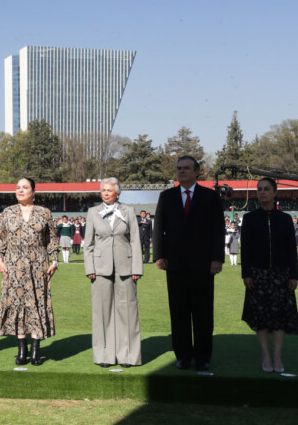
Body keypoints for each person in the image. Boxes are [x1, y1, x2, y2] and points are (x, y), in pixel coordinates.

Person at [153, 156, 224, 370]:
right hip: (175, 264)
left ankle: (202, 357)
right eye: (179, 168)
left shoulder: (210, 197)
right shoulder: (166, 196)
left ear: (196, 172)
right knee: (179, 312)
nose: (181, 171)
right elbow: (159, 229)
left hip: (203, 265)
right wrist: (158, 255)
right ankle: (182, 355)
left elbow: (218, 229)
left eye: (186, 168)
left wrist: (217, 258)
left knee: (203, 313)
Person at [0, 177, 58, 365]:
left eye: (25, 187)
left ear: (33, 191)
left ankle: (36, 351)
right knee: (17, 305)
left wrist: (54, 261)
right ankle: (22, 350)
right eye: (18, 188)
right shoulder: (8, 213)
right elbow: (0, 241)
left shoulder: (44, 213)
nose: (20, 190)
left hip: (38, 267)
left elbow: (51, 241)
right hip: (13, 268)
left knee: (36, 305)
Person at [84, 178, 144, 367]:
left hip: (125, 266)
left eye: (110, 190)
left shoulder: (128, 211)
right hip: (100, 268)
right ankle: (104, 356)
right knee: (102, 312)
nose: (106, 193)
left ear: (118, 193)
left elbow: (135, 240)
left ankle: (128, 356)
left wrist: (136, 268)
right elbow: (88, 244)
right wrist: (90, 268)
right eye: (103, 190)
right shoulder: (93, 212)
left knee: (127, 311)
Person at [240, 178, 298, 373]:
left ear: (275, 192)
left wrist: (294, 275)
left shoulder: (285, 219)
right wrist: (246, 274)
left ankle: (277, 356)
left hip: (282, 276)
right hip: (257, 275)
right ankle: (265, 354)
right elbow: (245, 250)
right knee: (261, 317)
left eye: (266, 189)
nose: (262, 192)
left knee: (280, 317)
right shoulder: (249, 219)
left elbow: (292, 250)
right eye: (259, 189)